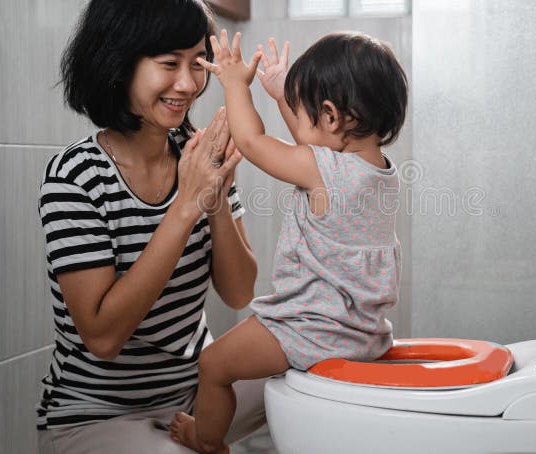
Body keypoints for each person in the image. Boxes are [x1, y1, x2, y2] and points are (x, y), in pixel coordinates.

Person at [36, 0, 265, 454]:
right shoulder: (75, 177)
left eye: (196, 64)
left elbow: (239, 289)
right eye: (168, 64)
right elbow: (102, 337)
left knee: (307, 378)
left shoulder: (199, 153)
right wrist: (186, 205)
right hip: (96, 414)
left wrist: (216, 200)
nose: (187, 84)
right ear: (120, 64)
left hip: (193, 396)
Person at [170, 30, 408, 453]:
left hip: (308, 329)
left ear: (333, 117)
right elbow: (316, 144)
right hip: (363, 334)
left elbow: (252, 142)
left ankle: (206, 441)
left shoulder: (323, 170)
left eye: (305, 112)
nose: (299, 120)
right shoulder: (380, 173)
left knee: (214, 364)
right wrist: (283, 96)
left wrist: (235, 84)